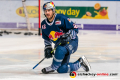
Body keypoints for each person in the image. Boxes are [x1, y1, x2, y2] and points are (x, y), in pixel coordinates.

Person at [41, 1, 91, 74]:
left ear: (53, 10)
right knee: (61, 69)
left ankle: (53, 67)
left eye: (49, 10)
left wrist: (68, 36)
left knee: (60, 49)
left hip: (72, 42)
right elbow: (46, 38)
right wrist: (48, 47)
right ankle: (80, 63)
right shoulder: (43, 24)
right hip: (60, 45)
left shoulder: (61, 18)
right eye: (45, 11)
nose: (47, 13)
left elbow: (75, 29)